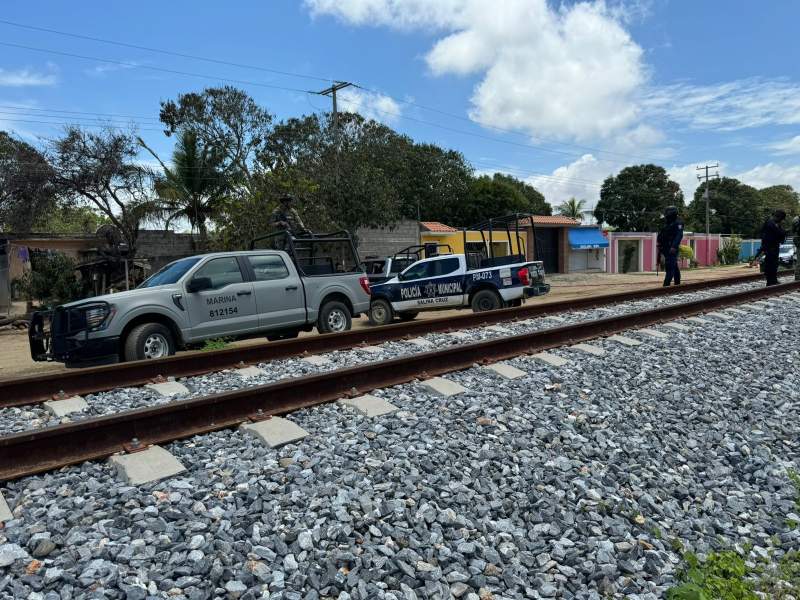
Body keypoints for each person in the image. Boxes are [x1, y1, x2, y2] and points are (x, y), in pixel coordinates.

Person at [760, 209, 787, 286]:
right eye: (781, 219)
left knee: (774, 264)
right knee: (770, 264)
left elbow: (780, 232)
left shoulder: (774, 223)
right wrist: (784, 232)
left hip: (774, 246)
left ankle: (773, 280)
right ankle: (770, 281)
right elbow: (779, 232)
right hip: (770, 247)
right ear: (778, 217)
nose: (781, 221)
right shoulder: (770, 223)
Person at [659, 205, 684, 286]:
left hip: (671, 248)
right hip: (666, 248)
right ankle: (677, 284)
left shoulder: (678, 223)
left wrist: (674, 246)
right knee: (674, 267)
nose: (666, 214)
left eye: (667, 213)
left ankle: (666, 285)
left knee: (670, 267)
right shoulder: (668, 223)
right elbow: (663, 234)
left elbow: (679, 235)